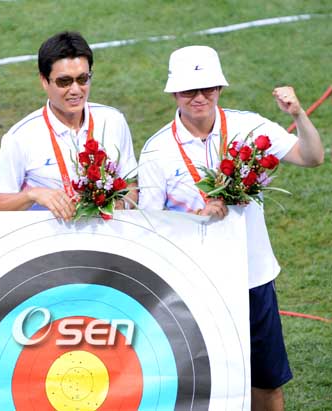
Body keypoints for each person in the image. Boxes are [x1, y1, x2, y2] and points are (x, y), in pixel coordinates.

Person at [138, 45, 323, 410]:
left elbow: (312, 156)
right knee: (201, 390)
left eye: (208, 87)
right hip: (194, 287)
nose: (199, 97)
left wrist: (298, 114)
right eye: (189, 90)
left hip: (253, 278)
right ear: (174, 93)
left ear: (220, 88)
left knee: (267, 384)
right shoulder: (157, 150)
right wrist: (196, 215)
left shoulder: (249, 127)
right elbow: (150, 227)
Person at [0, 31, 138, 219]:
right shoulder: (20, 137)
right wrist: (32, 195)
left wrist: (123, 204)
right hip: (47, 238)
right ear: (44, 81)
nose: (75, 90)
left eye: (83, 79)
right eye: (64, 82)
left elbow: (131, 183)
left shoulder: (113, 120)